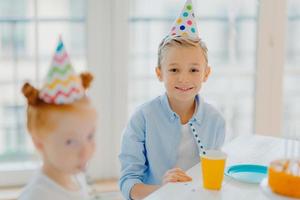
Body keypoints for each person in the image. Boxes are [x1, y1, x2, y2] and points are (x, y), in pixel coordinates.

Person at [119, 0, 225, 199]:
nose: (183, 78)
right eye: (174, 69)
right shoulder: (142, 118)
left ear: (206, 74)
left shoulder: (216, 121)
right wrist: (165, 190)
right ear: (160, 73)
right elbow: (128, 184)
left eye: (193, 70)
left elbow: (212, 175)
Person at [19, 38, 97, 200]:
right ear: (39, 142)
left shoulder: (74, 174)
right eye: (70, 142)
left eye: (90, 136)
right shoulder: (38, 195)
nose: (86, 150)